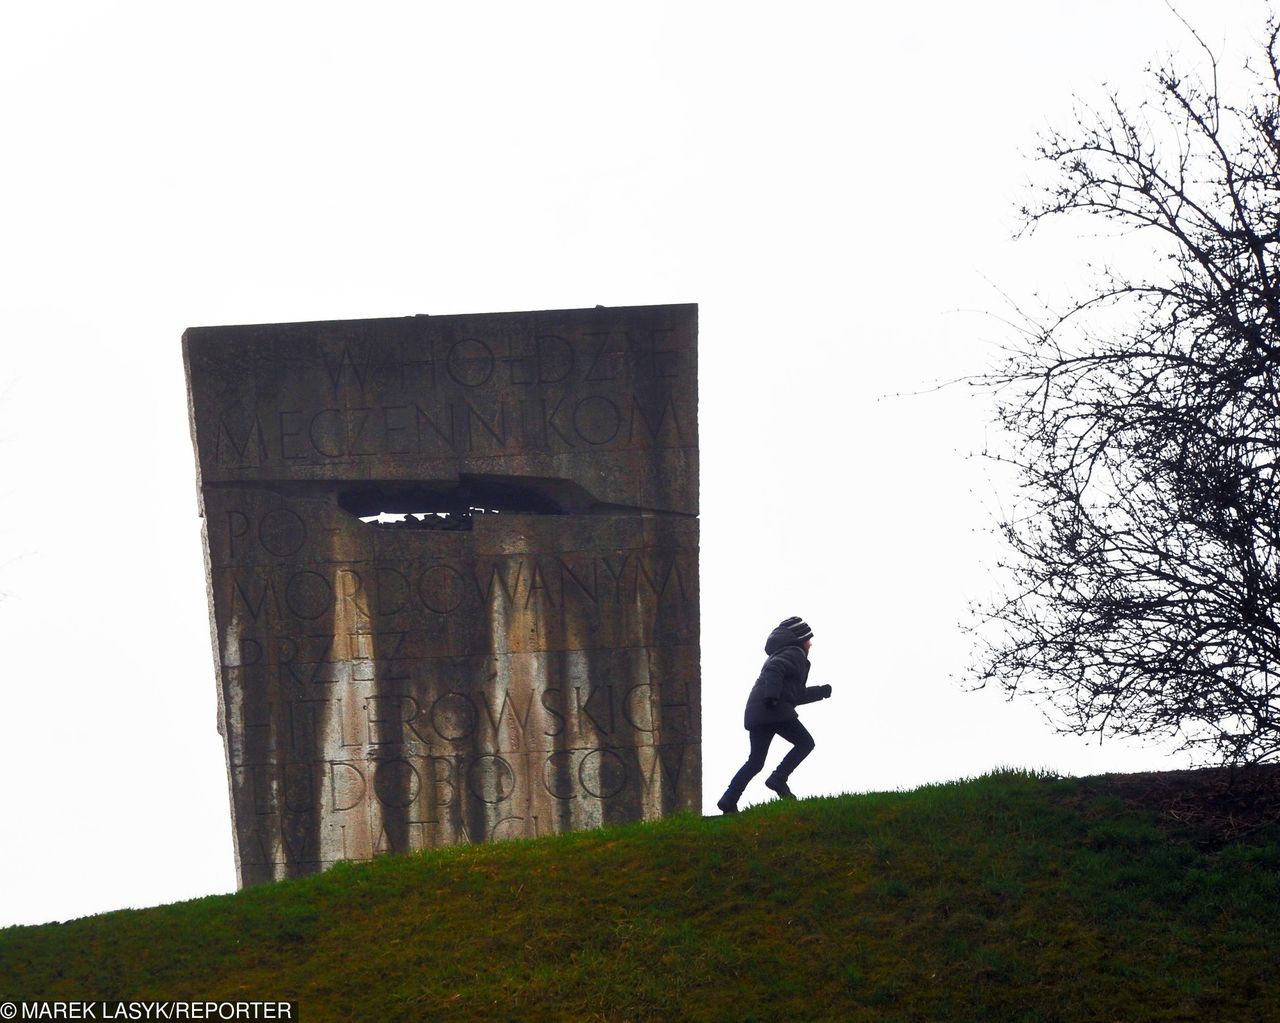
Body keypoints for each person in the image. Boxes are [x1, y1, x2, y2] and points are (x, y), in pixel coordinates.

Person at [717, 616, 832, 814]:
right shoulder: (794, 653)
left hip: (761, 712)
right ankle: (778, 778)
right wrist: (771, 697)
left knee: (755, 761)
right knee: (806, 743)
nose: (810, 644)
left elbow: (794, 695)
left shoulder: (783, 653)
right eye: (808, 639)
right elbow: (774, 670)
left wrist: (820, 692)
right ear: (800, 639)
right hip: (773, 710)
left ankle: (729, 799)